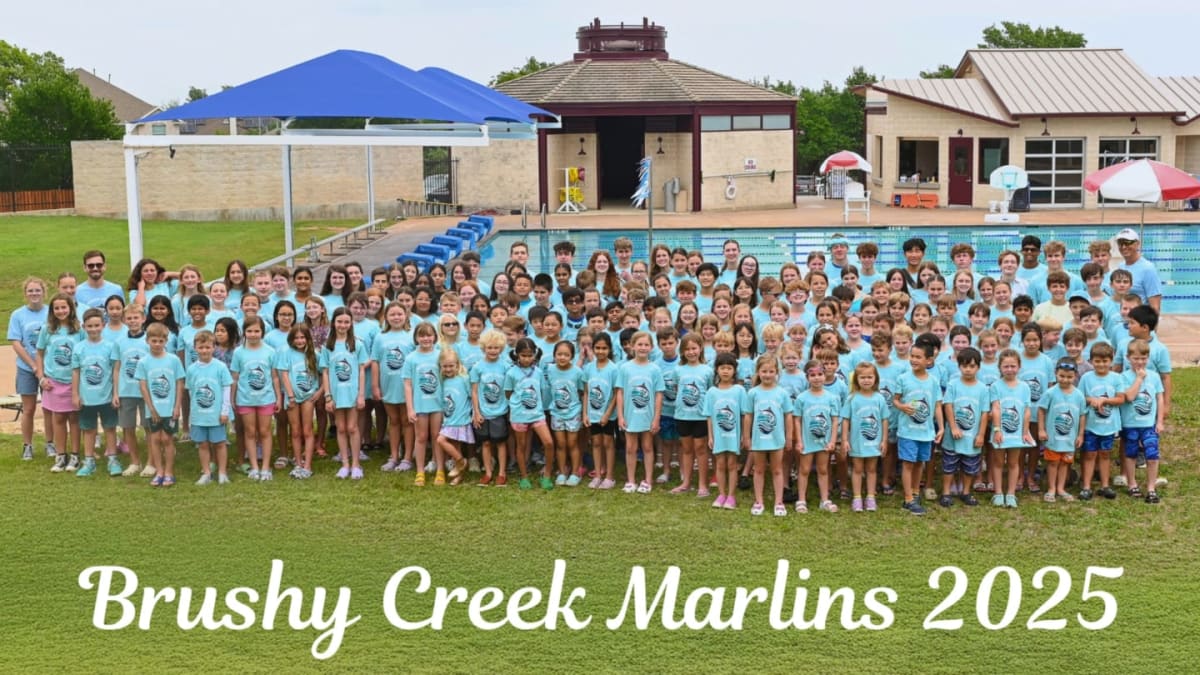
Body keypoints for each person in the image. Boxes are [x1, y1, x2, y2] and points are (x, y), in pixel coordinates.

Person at [892, 334, 943, 516]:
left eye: (918, 357)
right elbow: (895, 400)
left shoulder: (933, 381)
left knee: (920, 462)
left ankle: (915, 492)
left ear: (929, 360)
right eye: (912, 356)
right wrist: (902, 406)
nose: (913, 360)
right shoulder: (903, 378)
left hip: (926, 432)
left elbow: (937, 405)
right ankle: (908, 499)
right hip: (908, 431)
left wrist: (941, 427)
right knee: (908, 463)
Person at [70, 308, 121, 478]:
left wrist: (116, 393)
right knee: (89, 429)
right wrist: (75, 395)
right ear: (83, 326)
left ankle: (113, 460)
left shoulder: (110, 346)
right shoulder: (79, 348)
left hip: (106, 396)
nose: (93, 329)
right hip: (87, 397)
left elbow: (115, 371)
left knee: (110, 428)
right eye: (90, 326)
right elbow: (76, 372)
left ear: (103, 325)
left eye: (97, 325)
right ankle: (89, 461)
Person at [136, 323, 186, 487]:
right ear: (147, 341)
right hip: (153, 410)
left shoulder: (173, 360)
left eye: (160, 341)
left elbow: (179, 383)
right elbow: (143, 387)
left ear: (166, 341)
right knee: (155, 439)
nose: (157, 344)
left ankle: (169, 472)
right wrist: (151, 408)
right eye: (154, 341)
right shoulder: (143, 362)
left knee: (167, 439)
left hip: (169, 408)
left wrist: (177, 406)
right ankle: (159, 471)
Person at [231, 315, 280, 481]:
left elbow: (275, 377)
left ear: (262, 332)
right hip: (245, 399)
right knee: (250, 432)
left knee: (265, 432)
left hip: (266, 398)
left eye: (257, 331)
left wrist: (278, 398)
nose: (253, 334)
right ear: (244, 332)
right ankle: (254, 466)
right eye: (249, 331)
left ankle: (265, 467)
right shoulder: (238, 352)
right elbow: (235, 378)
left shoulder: (270, 352)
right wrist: (232, 398)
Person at [615, 330, 664, 494]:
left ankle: (648, 480)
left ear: (651, 347)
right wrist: (620, 415)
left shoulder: (655, 369)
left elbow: (659, 394)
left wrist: (656, 418)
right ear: (632, 346)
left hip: (648, 416)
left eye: (646, 344)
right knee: (630, 447)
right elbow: (620, 392)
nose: (643, 347)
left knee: (648, 447)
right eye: (639, 344)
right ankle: (630, 480)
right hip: (630, 415)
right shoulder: (625, 368)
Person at [38, 293, 83, 473]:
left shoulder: (79, 330)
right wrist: (41, 377)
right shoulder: (47, 329)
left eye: (64, 307)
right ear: (52, 311)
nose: (60, 311)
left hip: (73, 381)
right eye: (56, 308)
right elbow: (40, 353)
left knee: (74, 419)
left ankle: (75, 455)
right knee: (58, 418)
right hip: (53, 381)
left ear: (71, 308)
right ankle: (60, 455)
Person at [940, 348, 989, 507]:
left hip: (972, 437)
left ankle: (966, 492)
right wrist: (953, 427)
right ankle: (946, 493)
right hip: (953, 436)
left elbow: (984, 413)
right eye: (964, 366)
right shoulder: (953, 385)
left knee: (970, 466)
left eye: (972, 366)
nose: (968, 369)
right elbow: (948, 405)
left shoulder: (983, 388)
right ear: (959, 366)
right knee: (949, 465)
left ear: (978, 367)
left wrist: (981, 434)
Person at [1119, 339, 1165, 503]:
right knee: (1130, 454)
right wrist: (1138, 379)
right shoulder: (1123, 377)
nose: (1140, 362)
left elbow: (1159, 398)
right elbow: (1129, 397)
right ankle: (1132, 484)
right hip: (1130, 423)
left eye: (1143, 358)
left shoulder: (1154, 376)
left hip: (1149, 425)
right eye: (1136, 358)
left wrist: (1159, 421)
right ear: (1128, 358)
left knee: (1152, 455)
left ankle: (1151, 487)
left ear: (1148, 358)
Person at [504, 337, 553, 490]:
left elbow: (541, 391)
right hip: (519, 415)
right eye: (523, 355)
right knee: (522, 446)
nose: (527, 359)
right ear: (517, 355)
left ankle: (547, 475)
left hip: (537, 414)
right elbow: (508, 393)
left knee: (548, 443)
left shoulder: (538, 372)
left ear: (534, 355)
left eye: (530, 355)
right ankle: (524, 476)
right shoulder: (511, 373)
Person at [746, 354, 792, 517]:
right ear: (758, 372)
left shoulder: (782, 393)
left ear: (777, 372)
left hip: (777, 439)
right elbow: (748, 415)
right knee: (758, 470)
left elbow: (788, 416)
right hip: (758, 439)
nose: (767, 375)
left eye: (771, 371)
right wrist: (747, 437)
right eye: (764, 371)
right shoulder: (753, 393)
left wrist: (789, 437)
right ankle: (759, 501)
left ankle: (779, 502)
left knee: (777, 470)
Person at [186, 329, 234, 485]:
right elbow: (191, 392)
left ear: (214, 347)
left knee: (220, 443)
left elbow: (227, 389)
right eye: (201, 347)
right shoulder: (192, 369)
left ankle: (222, 473)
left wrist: (225, 411)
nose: (204, 350)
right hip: (199, 415)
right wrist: (193, 414)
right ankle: (206, 472)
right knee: (203, 444)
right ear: (195, 348)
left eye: (208, 347)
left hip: (217, 414)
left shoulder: (220, 367)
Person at [9, 277, 49, 461]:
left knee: (49, 408)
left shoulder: (50, 312)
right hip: (26, 367)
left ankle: (50, 443)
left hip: (48, 368)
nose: (34, 294)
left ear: (43, 292)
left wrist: (43, 366)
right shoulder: (18, 315)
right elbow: (16, 343)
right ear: (25, 293)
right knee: (29, 408)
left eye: (37, 290)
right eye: (30, 290)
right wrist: (33, 365)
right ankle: (27, 445)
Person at [702, 352, 749, 510]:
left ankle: (731, 496)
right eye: (722, 368)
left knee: (732, 464)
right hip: (718, 436)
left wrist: (743, 435)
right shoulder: (711, 392)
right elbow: (709, 416)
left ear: (734, 370)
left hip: (734, 435)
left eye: (729, 368)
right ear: (717, 369)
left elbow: (744, 415)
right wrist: (710, 436)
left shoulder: (739, 390)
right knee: (720, 464)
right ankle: (721, 494)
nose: (726, 371)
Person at [1077, 342, 1123, 500]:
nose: (1101, 364)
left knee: (1105, 454)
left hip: (1108, 425)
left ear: (1111, 361)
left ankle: (1105, 485)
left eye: (1105, 361)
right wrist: (1091, 400)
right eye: (1097, 361)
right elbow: (1080, 397)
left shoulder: (1116, 378)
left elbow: (1120, 399)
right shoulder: (1086, 378)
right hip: (1091, 424)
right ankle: (1086, 486)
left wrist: (1105, 400)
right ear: (1091, 361)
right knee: (1089, 454)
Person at [794, 359, 840, 513]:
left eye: (820, 374)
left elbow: (835, 420)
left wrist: (833, 440)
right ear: (807, 377)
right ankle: (801, 500)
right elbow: (797, 420)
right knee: (804, 469)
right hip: (807, 441)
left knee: (823, 469)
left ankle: (825, 499)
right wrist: (799, 441)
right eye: (812, 375)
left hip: (824, 441)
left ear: (825, 375)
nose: (817, 378)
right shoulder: (802, 398)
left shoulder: (831, 398)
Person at [1038, 358, 1087, 501]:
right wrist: (1041, 429)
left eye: (1069, 377)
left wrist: (1080, 434)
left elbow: (1082, 415)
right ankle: (1051, 488)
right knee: (1053, 463)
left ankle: (1060, 488)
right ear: (1056, 374)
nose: (1065, 380)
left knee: (1065, 463)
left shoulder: (1079, 395)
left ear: (1075, 376)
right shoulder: (1050, 393)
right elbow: (1041, 410)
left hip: (1070, 438)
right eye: (1062, 376)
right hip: (1053, 437)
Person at [990, 348, 1034, 508]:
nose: (1009, 369)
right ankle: (998, 493)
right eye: (1006, 366)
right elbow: (995, 408)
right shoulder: (995, 386)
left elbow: (1027, 411)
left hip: (1017, 433)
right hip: (1000, 431)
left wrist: (1025, 432)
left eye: (1013, 366)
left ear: (1019, 366)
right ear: (1000, 368)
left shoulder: (1024, 387)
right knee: (998, 462)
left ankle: (1011, 493)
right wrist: (997, 430)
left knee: (1014, 462)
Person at [842, 361, 888, 513]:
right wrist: (845, 440)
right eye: (862, 377)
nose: (866, 380)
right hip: (857, 441)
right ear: (856, 379)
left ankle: (870, 496)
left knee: (871, 469)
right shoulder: (852, 398)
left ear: (875, 379)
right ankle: (856, 497)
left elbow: (884, 420)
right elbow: (845, 420)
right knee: (857, 468)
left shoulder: (879, 398)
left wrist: (884, 440)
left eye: (869, 377)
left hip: (874, 442)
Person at [277, 325, 321, 479]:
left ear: (308, 338)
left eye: (303, 337)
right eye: (296, 338)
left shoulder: (315, 354)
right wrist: (290, 396)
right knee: (295, 431)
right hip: (292, 397)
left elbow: (324, 373)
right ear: (291, 339)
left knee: (307, 430)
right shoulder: (286, 353)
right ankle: (298, 463)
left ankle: (307, 465)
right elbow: (284, 374)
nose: (300, 341)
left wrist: (319, 392)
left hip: (308, 397)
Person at [670, 333, 711, 496]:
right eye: (687, 349)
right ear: (682, 351)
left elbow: (709, 391)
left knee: (700, 449)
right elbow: (676, 389)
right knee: (686, 449)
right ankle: (686, 482)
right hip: (683, 415)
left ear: (700, 349)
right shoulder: (678, 370)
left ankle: (702, 484)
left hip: (700, 416)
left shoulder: (707, 370)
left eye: (694, 348)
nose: (691, 352)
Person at [404, 321, 444, 486]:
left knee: (437, 436)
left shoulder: (440, 355)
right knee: (420, 437)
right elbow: (407, 385)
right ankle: (420, 471)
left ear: (435, 336)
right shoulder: (411, 358)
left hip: (438, 404)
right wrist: (410, 408)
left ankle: (440, 469)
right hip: (420, 405)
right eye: (422, 336)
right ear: (416, 338)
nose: (426, 339)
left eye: (429, 335)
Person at [470, 329, 511, 487]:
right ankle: (488, 472)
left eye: (496, 348)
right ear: (483, 348)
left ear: (501, 348)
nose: (493, 351)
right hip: (483, 412)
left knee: (500, 443)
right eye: (489, 347)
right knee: (485, 443)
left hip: (500, 411)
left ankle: (501, 473)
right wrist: (476, 412)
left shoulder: (506, 366)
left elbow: (509, 389)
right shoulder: (477, 367)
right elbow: (474, 391)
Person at [546, 340, 586, 485]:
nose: (562, 357)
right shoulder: (550, 369)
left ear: (572, 357)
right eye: (559, 354)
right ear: (554, 355)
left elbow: (582, 391)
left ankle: (575, 472)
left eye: (566, 355)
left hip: (573, 412)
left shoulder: (577, 372)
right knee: (561, 444)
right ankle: (562, 472)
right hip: (556, 412)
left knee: (572, 443)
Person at [434, 348, 471, 485]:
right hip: (449, 419)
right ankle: (459, 474)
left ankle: (461, 461)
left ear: (457, 364)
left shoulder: (464, 379)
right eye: (445, 366)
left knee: (440, 440)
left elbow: (471, 396)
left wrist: (473, 413)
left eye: (451, 366)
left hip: (460, 419)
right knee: (455, 447)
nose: (448, 369)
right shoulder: (443, 380)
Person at [1114, 228, 1162, 312]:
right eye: (1120, 243)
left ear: (1137, 244)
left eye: (1128, 242)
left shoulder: (1148, 268)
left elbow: (1155, 307)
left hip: (1140, 318)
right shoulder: (1121, 266)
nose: (1124, 247)